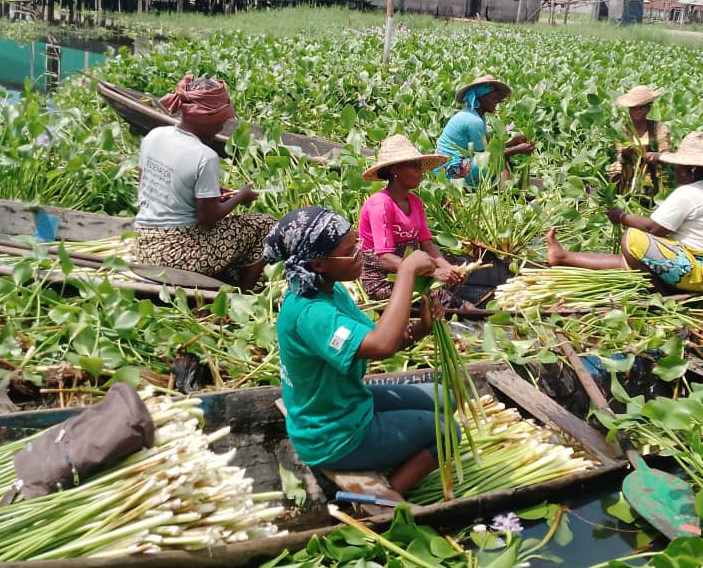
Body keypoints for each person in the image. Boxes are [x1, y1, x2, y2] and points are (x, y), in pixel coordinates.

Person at [264, 206, 455, 495]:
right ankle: (385, 501)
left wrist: (420, 329)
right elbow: (383, 345)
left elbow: (375, 340)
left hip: (350, 402)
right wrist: (406, 271)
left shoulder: (330, 288)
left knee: (447, 398)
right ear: (317, 264)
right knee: (448, 432)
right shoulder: (311, 313)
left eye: (356, 242)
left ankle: (390, 454)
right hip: (332, 434)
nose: (360, 252)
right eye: (349, 249)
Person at [547, 132, 703, 295]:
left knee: (632, 239)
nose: (674, 171)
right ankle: (562, 257)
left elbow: (654, 228)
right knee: (635, 260)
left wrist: (622, 217)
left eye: (677, 167)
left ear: (691, 170)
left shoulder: (689, 192)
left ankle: (662, 294)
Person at [132, 74, 274, 291]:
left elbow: (146, 185)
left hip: (143, 244)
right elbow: (207, 219)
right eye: (220, 122)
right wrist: (240, 197)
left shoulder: (154, 135)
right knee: (264, 224)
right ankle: (244, 294)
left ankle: (228, 280)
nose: (221, 129)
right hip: (176, 255)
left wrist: (208, 194)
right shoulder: (204, 155)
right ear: (207, 118)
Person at [359, 135, 473, 311]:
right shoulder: (381, 204)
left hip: (413, 269)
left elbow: (426, 244)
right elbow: (385, 260)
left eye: (420, 167)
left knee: (456, 269)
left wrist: (448, 268)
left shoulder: (415, 202)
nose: (420, 173)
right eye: (414, 167)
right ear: (395, 170)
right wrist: (433, 272)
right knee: (449, 301)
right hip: (383, 277)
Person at [435, 74, 535, 186]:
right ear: (480, 98)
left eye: (497, 99)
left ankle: (501, 189)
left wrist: (512, 142)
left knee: (499, 158)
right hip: (448, 170)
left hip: (453, 163)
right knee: (500, 160)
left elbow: (488, 146)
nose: (496, 102)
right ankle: (504, 197)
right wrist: (516, 150)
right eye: (493, 99)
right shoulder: (473, 121)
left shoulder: (477, 115)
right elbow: (486, 156)